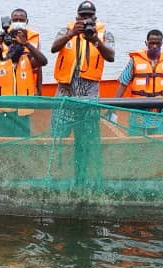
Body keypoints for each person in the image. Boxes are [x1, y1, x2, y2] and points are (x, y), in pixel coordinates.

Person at [50, 1, 114, 186]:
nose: (86, 19)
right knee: (57, 138)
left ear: (95, 17)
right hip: (65, 94)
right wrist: (71, 34)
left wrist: (95, 40)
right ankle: (56, 177)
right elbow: (54, 48)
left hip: (89, 96)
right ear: (77, 17)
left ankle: (82, 178)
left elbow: (111, 57)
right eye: (82, 16)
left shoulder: (104, 34)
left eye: (89, 16)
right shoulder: (65, 31)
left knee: (85, 140)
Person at [0, 8, 48, 136]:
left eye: (21, 20)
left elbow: (43, 62)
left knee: (22, 145)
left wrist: (26, 44)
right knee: (0, 144)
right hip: (1, 110)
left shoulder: (26, 57)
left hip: (22, 110)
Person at [114, 30, 163, 135]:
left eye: (157, 43)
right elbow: (123, 82)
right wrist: (113, 107)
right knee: (135, 143)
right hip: (138, 112)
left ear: (162, 44)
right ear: (146, 43)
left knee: (157, 144)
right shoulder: (135, 60)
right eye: (151, 43)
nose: (154, 46)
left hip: (158, 113)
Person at [0, 8, 44, 96]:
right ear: (10, 21)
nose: (18, 22)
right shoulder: (2, 37)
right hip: (3, 80)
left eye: (21, 20)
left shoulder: (34, 38)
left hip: (26, 81)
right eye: (15, 20)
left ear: (27, 21)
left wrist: (39, 88)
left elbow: (39, 65)